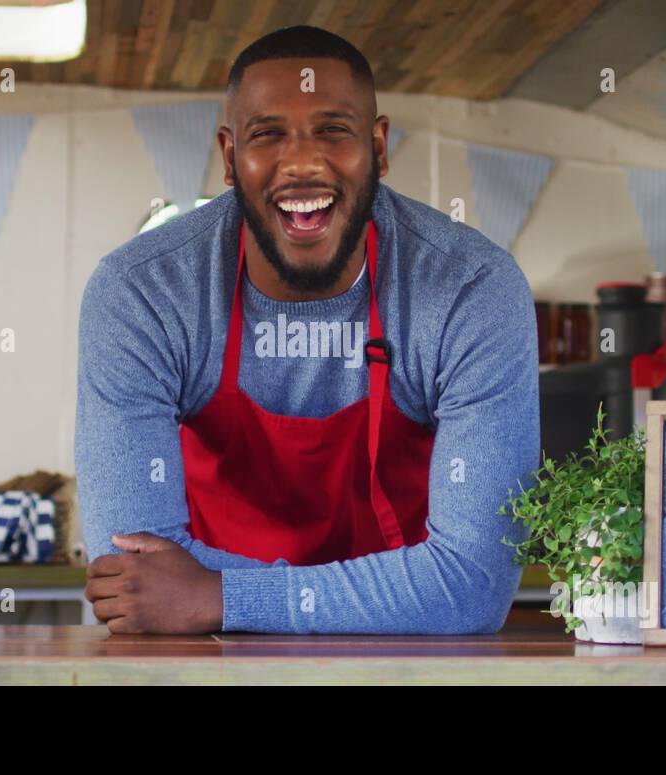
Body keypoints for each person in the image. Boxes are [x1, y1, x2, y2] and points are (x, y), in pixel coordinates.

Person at [77, 25, 539, 634]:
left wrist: (220, 596)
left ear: (378, 146)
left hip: (404, 666)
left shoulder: (470, 288)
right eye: (267, 134)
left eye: (333, 130)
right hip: (209, 659)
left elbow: (471, 585)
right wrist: (397, 594)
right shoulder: (143, 291)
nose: (301, 162)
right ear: (228, 155)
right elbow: (133, 574)